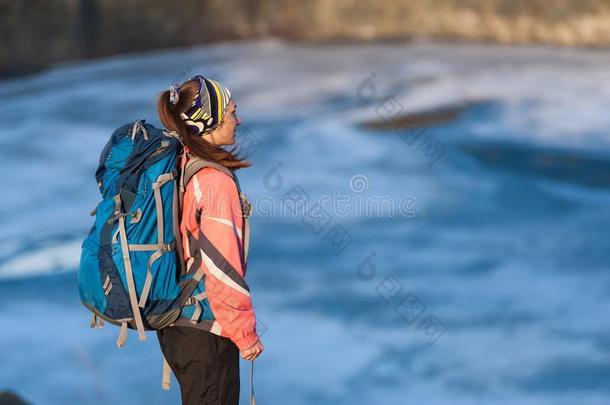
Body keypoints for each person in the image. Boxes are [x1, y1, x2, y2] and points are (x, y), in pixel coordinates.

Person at [156, 74, 264, 404]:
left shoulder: (181, 163)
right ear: (209, 121)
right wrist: (244, 334)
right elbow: (222, 267)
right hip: (207, 331)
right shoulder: (215, 183)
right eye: (232, 111)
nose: (239, 118)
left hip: (178, 325)